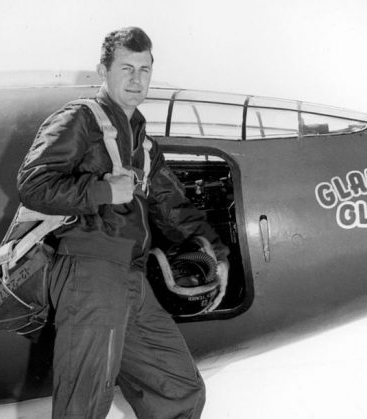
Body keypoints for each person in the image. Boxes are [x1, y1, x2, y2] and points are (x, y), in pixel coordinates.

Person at [17, 27, 229, 419]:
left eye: (144, 70)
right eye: (126, 68)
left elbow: (175, 209)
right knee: (85, 404)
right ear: (104, 70)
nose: (136, 79)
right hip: (89, 271)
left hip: (133, 280)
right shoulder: (80, 118)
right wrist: (102, 191)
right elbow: (33, 185)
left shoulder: (143, 143)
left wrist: (217, 255)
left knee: (179, 390)